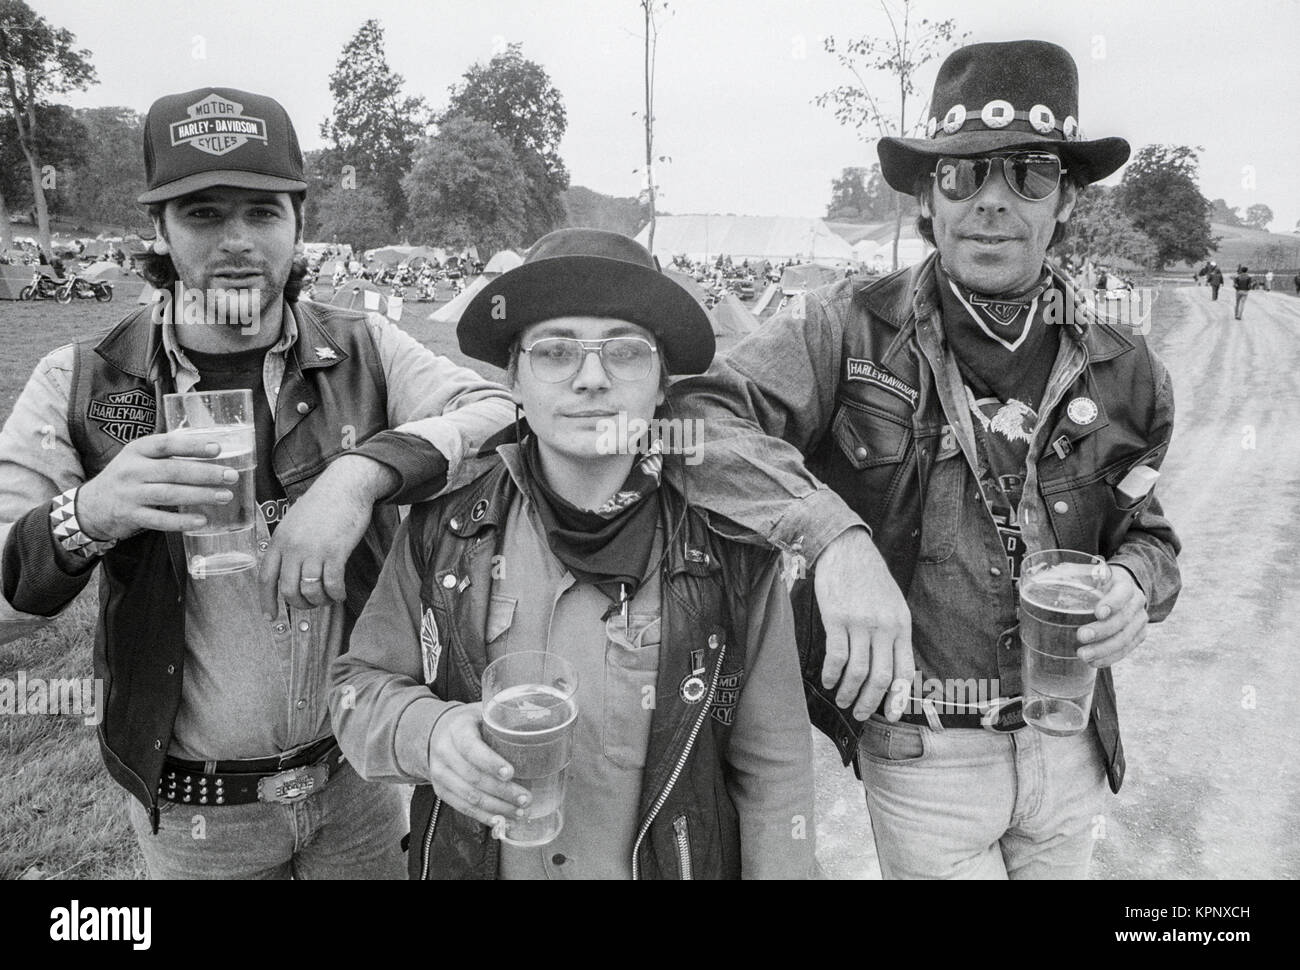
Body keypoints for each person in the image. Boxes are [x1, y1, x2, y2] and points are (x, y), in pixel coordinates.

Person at [672, 40, 1181, 879]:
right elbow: (693, 424)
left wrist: (1136, 584)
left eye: (1028, 174)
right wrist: (831, 537)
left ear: (1067, 201)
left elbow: (1149, 533)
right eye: (961, 175)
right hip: (924, 749)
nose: (992, 201)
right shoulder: (844, 329)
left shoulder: (1128, 370)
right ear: (924, 199)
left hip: (1070, 744)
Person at [0, 86, 514, 879]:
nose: (237, 241)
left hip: (359, 790)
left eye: (263, 213)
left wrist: (361, 472)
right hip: (196, 818)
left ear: (299, 224)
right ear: (159, 233)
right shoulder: (82, 382)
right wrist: (89, 513)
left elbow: (499, 414)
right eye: (204, 214)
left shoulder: (367, 346)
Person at [330, 229, 817, 880]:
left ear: (661, 385)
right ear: (515, 381)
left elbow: (774, 770)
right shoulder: (442, 527)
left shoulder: (735, 551)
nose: (592, 378)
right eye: (556, 351)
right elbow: (358, 689)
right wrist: (430, 733)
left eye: (624, 351)